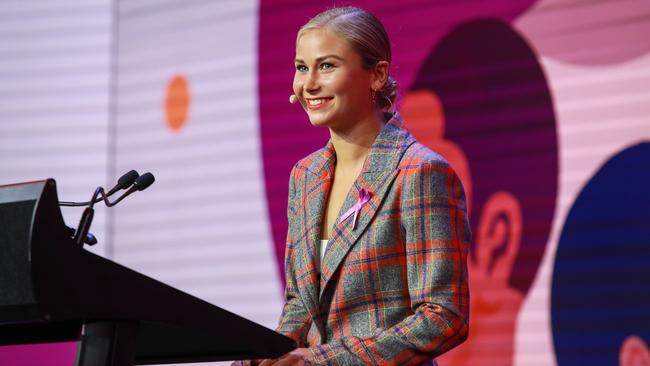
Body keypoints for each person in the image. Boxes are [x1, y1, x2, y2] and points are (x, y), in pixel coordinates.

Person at [236, 6, 470, 366]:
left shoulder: (419, 172)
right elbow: (301, 303)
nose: (308, 84)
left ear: (377, 74)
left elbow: (444, 316)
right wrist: (264, 357)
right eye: (301, 67)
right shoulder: (305, 176)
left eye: (326, 66)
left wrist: (323, 362)